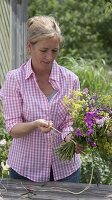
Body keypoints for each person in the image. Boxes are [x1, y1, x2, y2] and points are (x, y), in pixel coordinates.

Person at [0, 16, 84, 182]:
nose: (49, 57)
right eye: (44, 50)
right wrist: (34, 125)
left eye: (54, 50)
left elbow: (70, 122)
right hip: (26, 171)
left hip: (65, 170)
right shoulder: (15, 79)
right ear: (29, 46)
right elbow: (12, 127)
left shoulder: (70, 79)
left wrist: (70, 138)